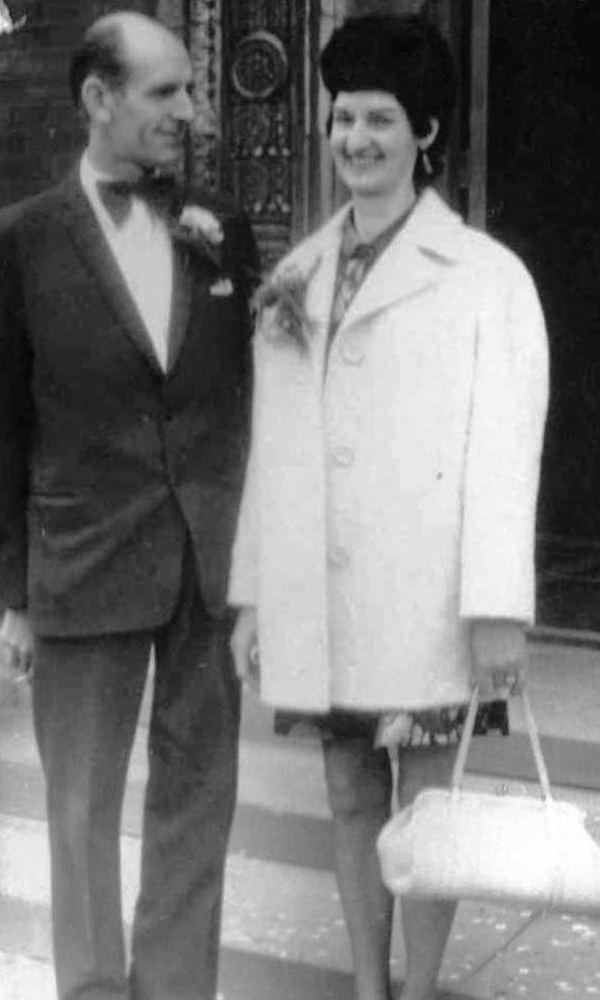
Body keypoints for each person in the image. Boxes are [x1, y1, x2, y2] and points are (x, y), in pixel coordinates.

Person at [230, 13, 548, 1000]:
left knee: (424, 806)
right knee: (344, 790)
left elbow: (504, 452)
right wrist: (252, 595)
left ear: (426, 134)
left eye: (379, 118)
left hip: (430, 595)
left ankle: (420, 982)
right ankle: (367, 983)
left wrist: (497, 606)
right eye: (341, 117)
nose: (355, 138)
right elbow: (271, 453)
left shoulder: (487, 279)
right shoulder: (294, 277)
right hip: (322, 592)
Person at [0, 11, 258, 1000]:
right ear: (98, 98)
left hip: (206, 564)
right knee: (79, 809)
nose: (191, 109)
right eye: (166, 92)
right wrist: (16, 589)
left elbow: (238, 401)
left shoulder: (222, 229)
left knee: (198, 803)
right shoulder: (13, 243)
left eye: (189, 88)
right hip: (82, 560)